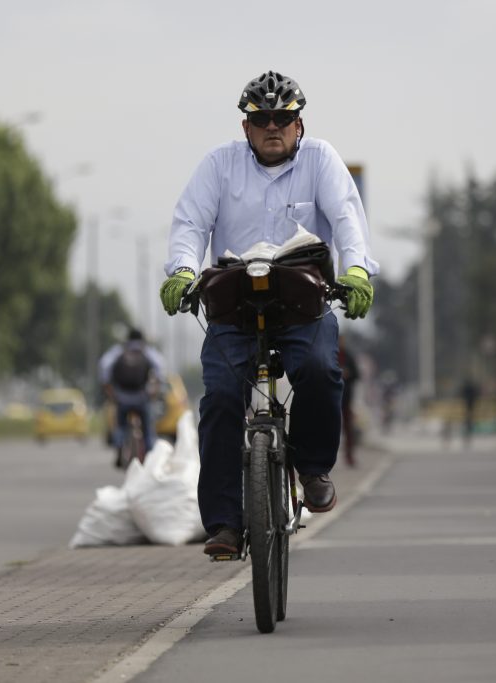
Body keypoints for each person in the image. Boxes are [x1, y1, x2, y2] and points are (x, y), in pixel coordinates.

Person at [158, 70, 378, 557]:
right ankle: (224, 524)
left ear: (300, 124)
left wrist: (358, 271)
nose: (273, 127)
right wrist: (181, 270)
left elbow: (346, 219)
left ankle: (314, 467)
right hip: (234, 304)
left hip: (303, 302)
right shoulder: (218, 165)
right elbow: (190, 222)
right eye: (263, 120)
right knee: (217, 399)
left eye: (284, 118)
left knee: (321, 370)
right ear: (246, 128)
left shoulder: (321, 159)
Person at [98, 328, 167, 461]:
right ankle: (149, 452)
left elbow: (104, 367)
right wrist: (154, 391)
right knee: (147, 429)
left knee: (121, 426)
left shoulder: (119, 351)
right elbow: (160, 368)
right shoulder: (146, 351)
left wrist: (110, 392)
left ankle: (119, 446)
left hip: (122, 396)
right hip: (141, 397)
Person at [338, 334, 360, 468]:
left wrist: (347, 373)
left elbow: (357, 375)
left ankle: (349, 456)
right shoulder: (331, 354)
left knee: (348, 428)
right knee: (328, 428)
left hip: (346, 398)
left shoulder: (348, 356)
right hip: (331, 399)